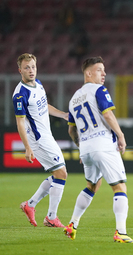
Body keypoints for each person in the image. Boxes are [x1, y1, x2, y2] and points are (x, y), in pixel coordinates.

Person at [64, 56, 133, 243]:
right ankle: (120, 232)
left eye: (104, 70)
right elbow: (108, 113)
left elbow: (71, 130)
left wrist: (82, 148)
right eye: (99, 70)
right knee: (120, 187)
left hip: (86, 148)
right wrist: (120, 135)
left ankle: (73, 224)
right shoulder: (99, 90)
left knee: (92, 186)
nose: (104, 73)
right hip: (103, 144)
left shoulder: (73, 99)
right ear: (88, 73)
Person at [13, 53, 69, 228]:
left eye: (33, 67)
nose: (31, 70)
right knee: (62, 174)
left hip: (47, 136)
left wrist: (62, 114)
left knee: (57, 174)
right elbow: (20, 123)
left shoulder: (38, 84)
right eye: (27, 67)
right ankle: (51, 217)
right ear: (19, 69)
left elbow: (44, 106)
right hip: (38, 140)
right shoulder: (20, 95)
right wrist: (27, 147)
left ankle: (30, 205)